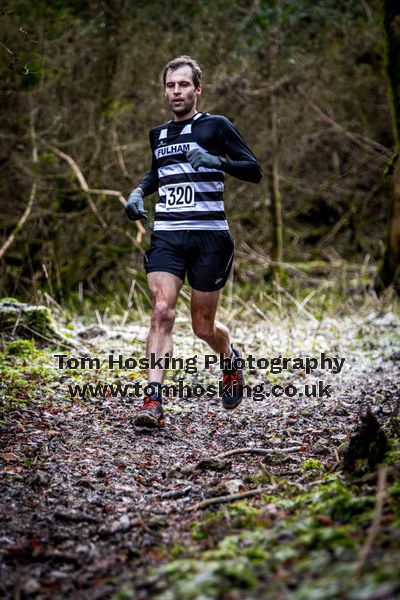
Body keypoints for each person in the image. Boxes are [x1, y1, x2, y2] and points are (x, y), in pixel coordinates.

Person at [125, 55, 262, 427]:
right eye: (170, 86)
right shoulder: (159, 134)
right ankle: (152, 402)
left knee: (203, 327)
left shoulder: (217, 126)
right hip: (167, 236)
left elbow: (254, 170)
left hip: (210, 239)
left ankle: (230, 358)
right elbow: (157, 173)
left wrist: (216, 160)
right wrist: (138, 192)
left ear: (197, 89)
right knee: (161, 309)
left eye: (183, 85)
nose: (176, 92)